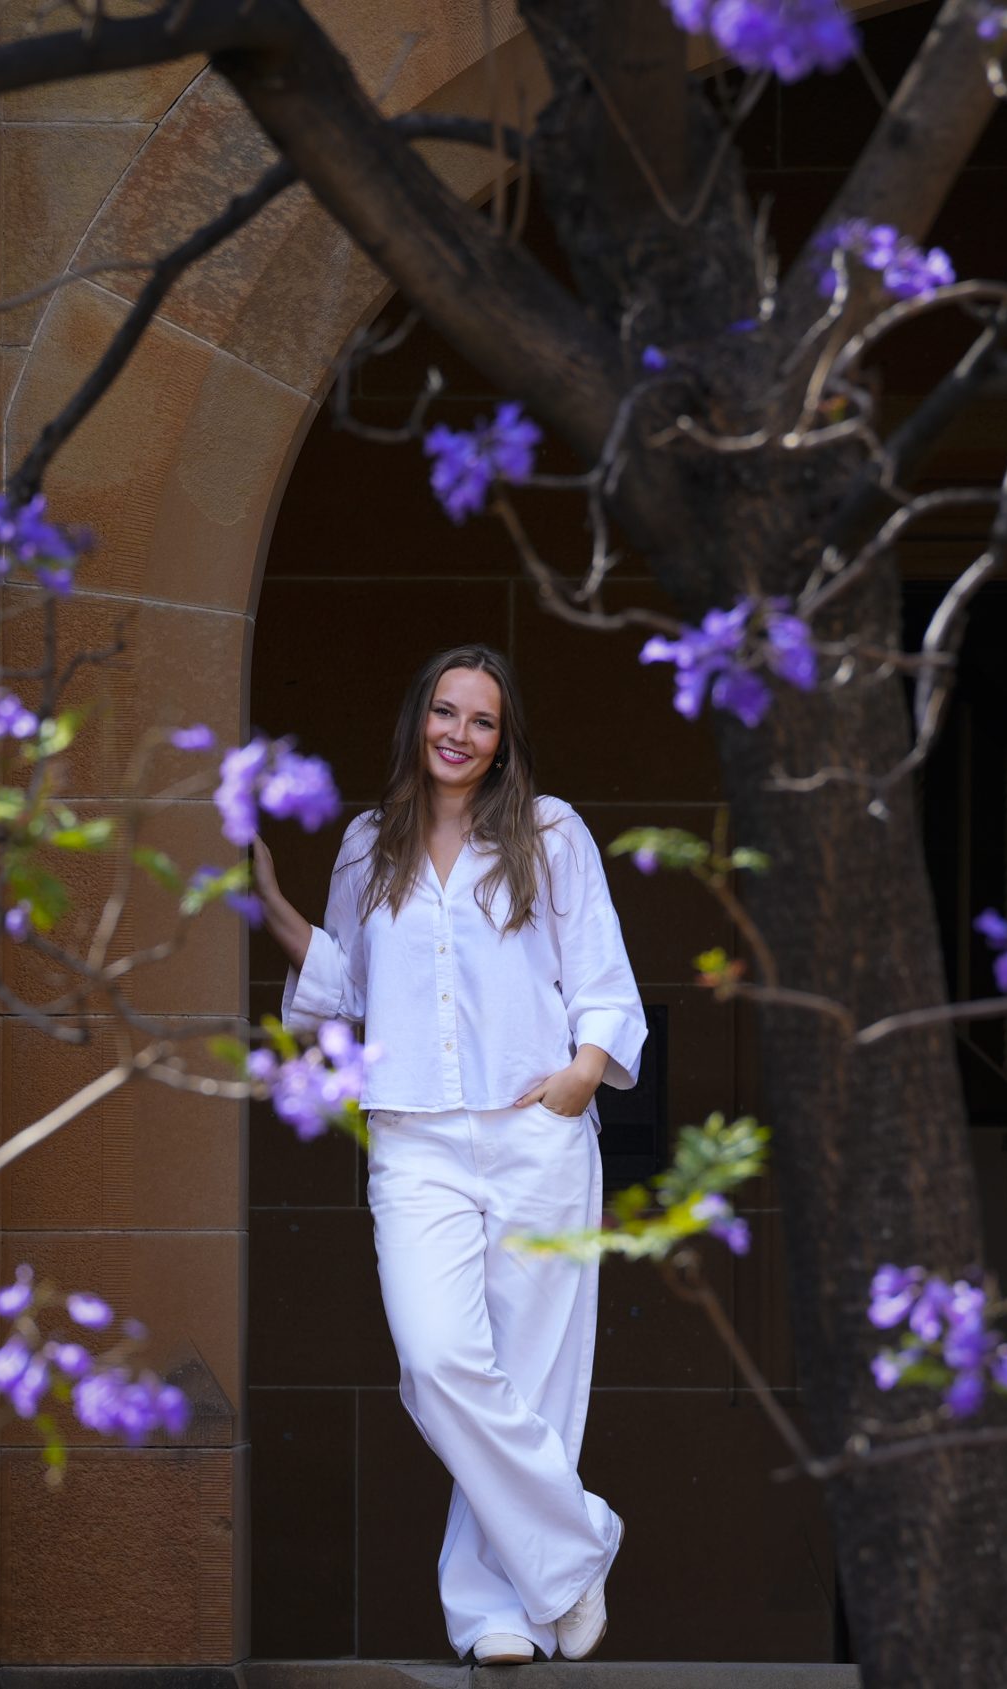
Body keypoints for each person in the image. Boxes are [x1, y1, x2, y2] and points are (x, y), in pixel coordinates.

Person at [251, 643, 647, 1666]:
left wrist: (578, 1076)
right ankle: (575, 1545)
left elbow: (601, 974)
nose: (458, 735)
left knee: (529, 1383)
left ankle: (496, 1614)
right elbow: (343, 990)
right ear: (417, 720)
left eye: (480, 720)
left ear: (503, 739)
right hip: (412, 1138)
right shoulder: (364, 845)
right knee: (437, 1365)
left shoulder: (550, 833)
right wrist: (277, 914)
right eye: (444, 712)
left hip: (533, 1128)